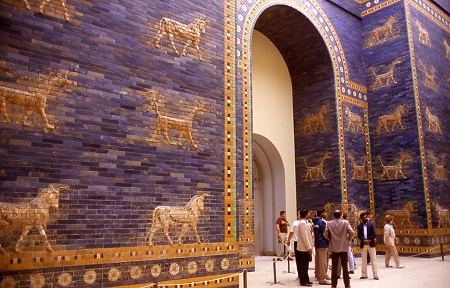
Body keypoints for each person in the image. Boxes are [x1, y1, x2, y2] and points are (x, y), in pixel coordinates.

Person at [324, 210, 354, 288]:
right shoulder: (345, 222)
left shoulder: (329, 223)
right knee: (345, 267)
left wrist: (331, 239)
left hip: (334, 247)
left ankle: (334, 285)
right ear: (340, 215)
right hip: (344, 247)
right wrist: (347, 239)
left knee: (334, 267)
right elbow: (352, 233)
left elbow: (325, 234)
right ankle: (347, 285)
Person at [357, 212, 379, 280]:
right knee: (364, 260)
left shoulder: (371, 224)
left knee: (373, 259)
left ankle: (375, 275)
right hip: (363, 244)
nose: (365, 218)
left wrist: (369, 240)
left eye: (366, 217)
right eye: (364, 217)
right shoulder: (359, 226)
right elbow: (359, 235)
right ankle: (364, 274)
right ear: (361, 218)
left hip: (371, 243)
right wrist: (364, 240)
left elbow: (374, 233)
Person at [313, 208, 331, 285]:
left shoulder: (315, 222)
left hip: (317, 243)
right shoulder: (321, 222)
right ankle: (322, 278)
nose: (326, 214)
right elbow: (325, 233)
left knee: (318, 260)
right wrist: (329, 240)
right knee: (323, 261)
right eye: (324, 212)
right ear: (321, 213)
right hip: (323, 243)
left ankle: (318, 274)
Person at [296, 209, 314, 287]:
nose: (309, 214)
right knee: (303, 265)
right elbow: (305, 236)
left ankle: (306, 279)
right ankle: (303, 281)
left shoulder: (305, 222)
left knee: (306, 265)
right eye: (308, 213)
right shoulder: (302, 223)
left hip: (305, 247)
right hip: (303, 248)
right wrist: (308, 247)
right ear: (306, 214)